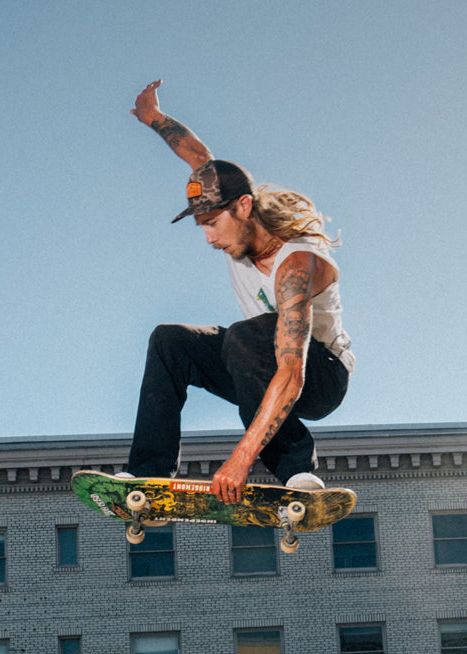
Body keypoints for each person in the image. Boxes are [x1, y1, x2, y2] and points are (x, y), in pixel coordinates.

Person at [125, 79, 356, 504]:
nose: (210, 239)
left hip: (319, 375)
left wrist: (241, 459)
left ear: (244, 207)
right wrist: (155, 119)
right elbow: (202, 159)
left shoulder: (297, 264)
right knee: (169, 340)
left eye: (213, 224)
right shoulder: (233, 221)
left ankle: (297, 471)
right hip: (256, 362)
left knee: (246, 334)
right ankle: (149, 477)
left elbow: (291, 373)